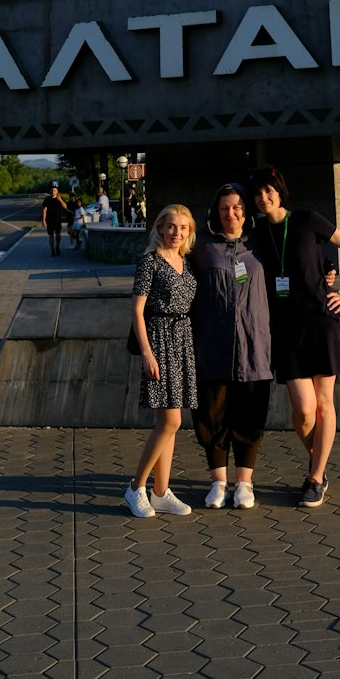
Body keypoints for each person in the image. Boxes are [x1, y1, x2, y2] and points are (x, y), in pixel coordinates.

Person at [247, 165, 340, 511]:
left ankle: (315, 478)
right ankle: (319, 462)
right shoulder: (257, 233)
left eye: (269, 190)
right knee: (303, 410)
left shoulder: (308, 219)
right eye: (258, 193)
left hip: (320, 321)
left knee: (324, 403)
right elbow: (243, 272)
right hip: (285, 328)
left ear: (280, 192)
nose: (264, 198)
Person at [190, 182, 271, 512]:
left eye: (237, 207)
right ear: (215, 212)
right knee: (212, 413)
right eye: (224, 208)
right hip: (213, 343)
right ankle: (218, 482)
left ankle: (245, 483)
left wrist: (328, 273)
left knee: (250, 414)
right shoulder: (202, 248)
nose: (231, 213)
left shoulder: (260, 244)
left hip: (255, 345)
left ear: (246, 212)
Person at [125, 204, 198, 520]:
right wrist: (147, 352)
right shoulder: (149, 263)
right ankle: (136, 487)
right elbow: (137, 311)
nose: (177, 232)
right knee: (171, 421)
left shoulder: (186, 261)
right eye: (171, 226)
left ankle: (160, 492)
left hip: (183, 339)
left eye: (183, 228)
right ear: (159, 228)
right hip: (160, 339)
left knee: (168, 424)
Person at [41, 182, 67, 256]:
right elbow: (44, 210)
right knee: (51, 235)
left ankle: (57, 246)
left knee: (58, 235)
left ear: (57, 191)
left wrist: (61, 200)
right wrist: (43, 221)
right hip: (49, 221)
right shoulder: (47, 199)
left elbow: (65, 207)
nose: (53, 192)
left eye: (54, 190)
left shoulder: (60, 198)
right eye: (52, 190)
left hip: (58, 220)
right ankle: (52, 250)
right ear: (50, 191)